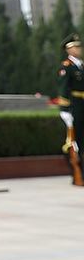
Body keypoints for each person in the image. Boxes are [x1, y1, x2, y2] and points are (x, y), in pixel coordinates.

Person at [50, 36, 84, 185]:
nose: (79, 49)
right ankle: (77, 173)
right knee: (73, 142)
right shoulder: (66, 66)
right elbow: (63, 88)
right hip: (74, 106)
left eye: (79, 47)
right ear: (69, 50)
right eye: (75, 47)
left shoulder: (81, 65)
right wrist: (64, 109)